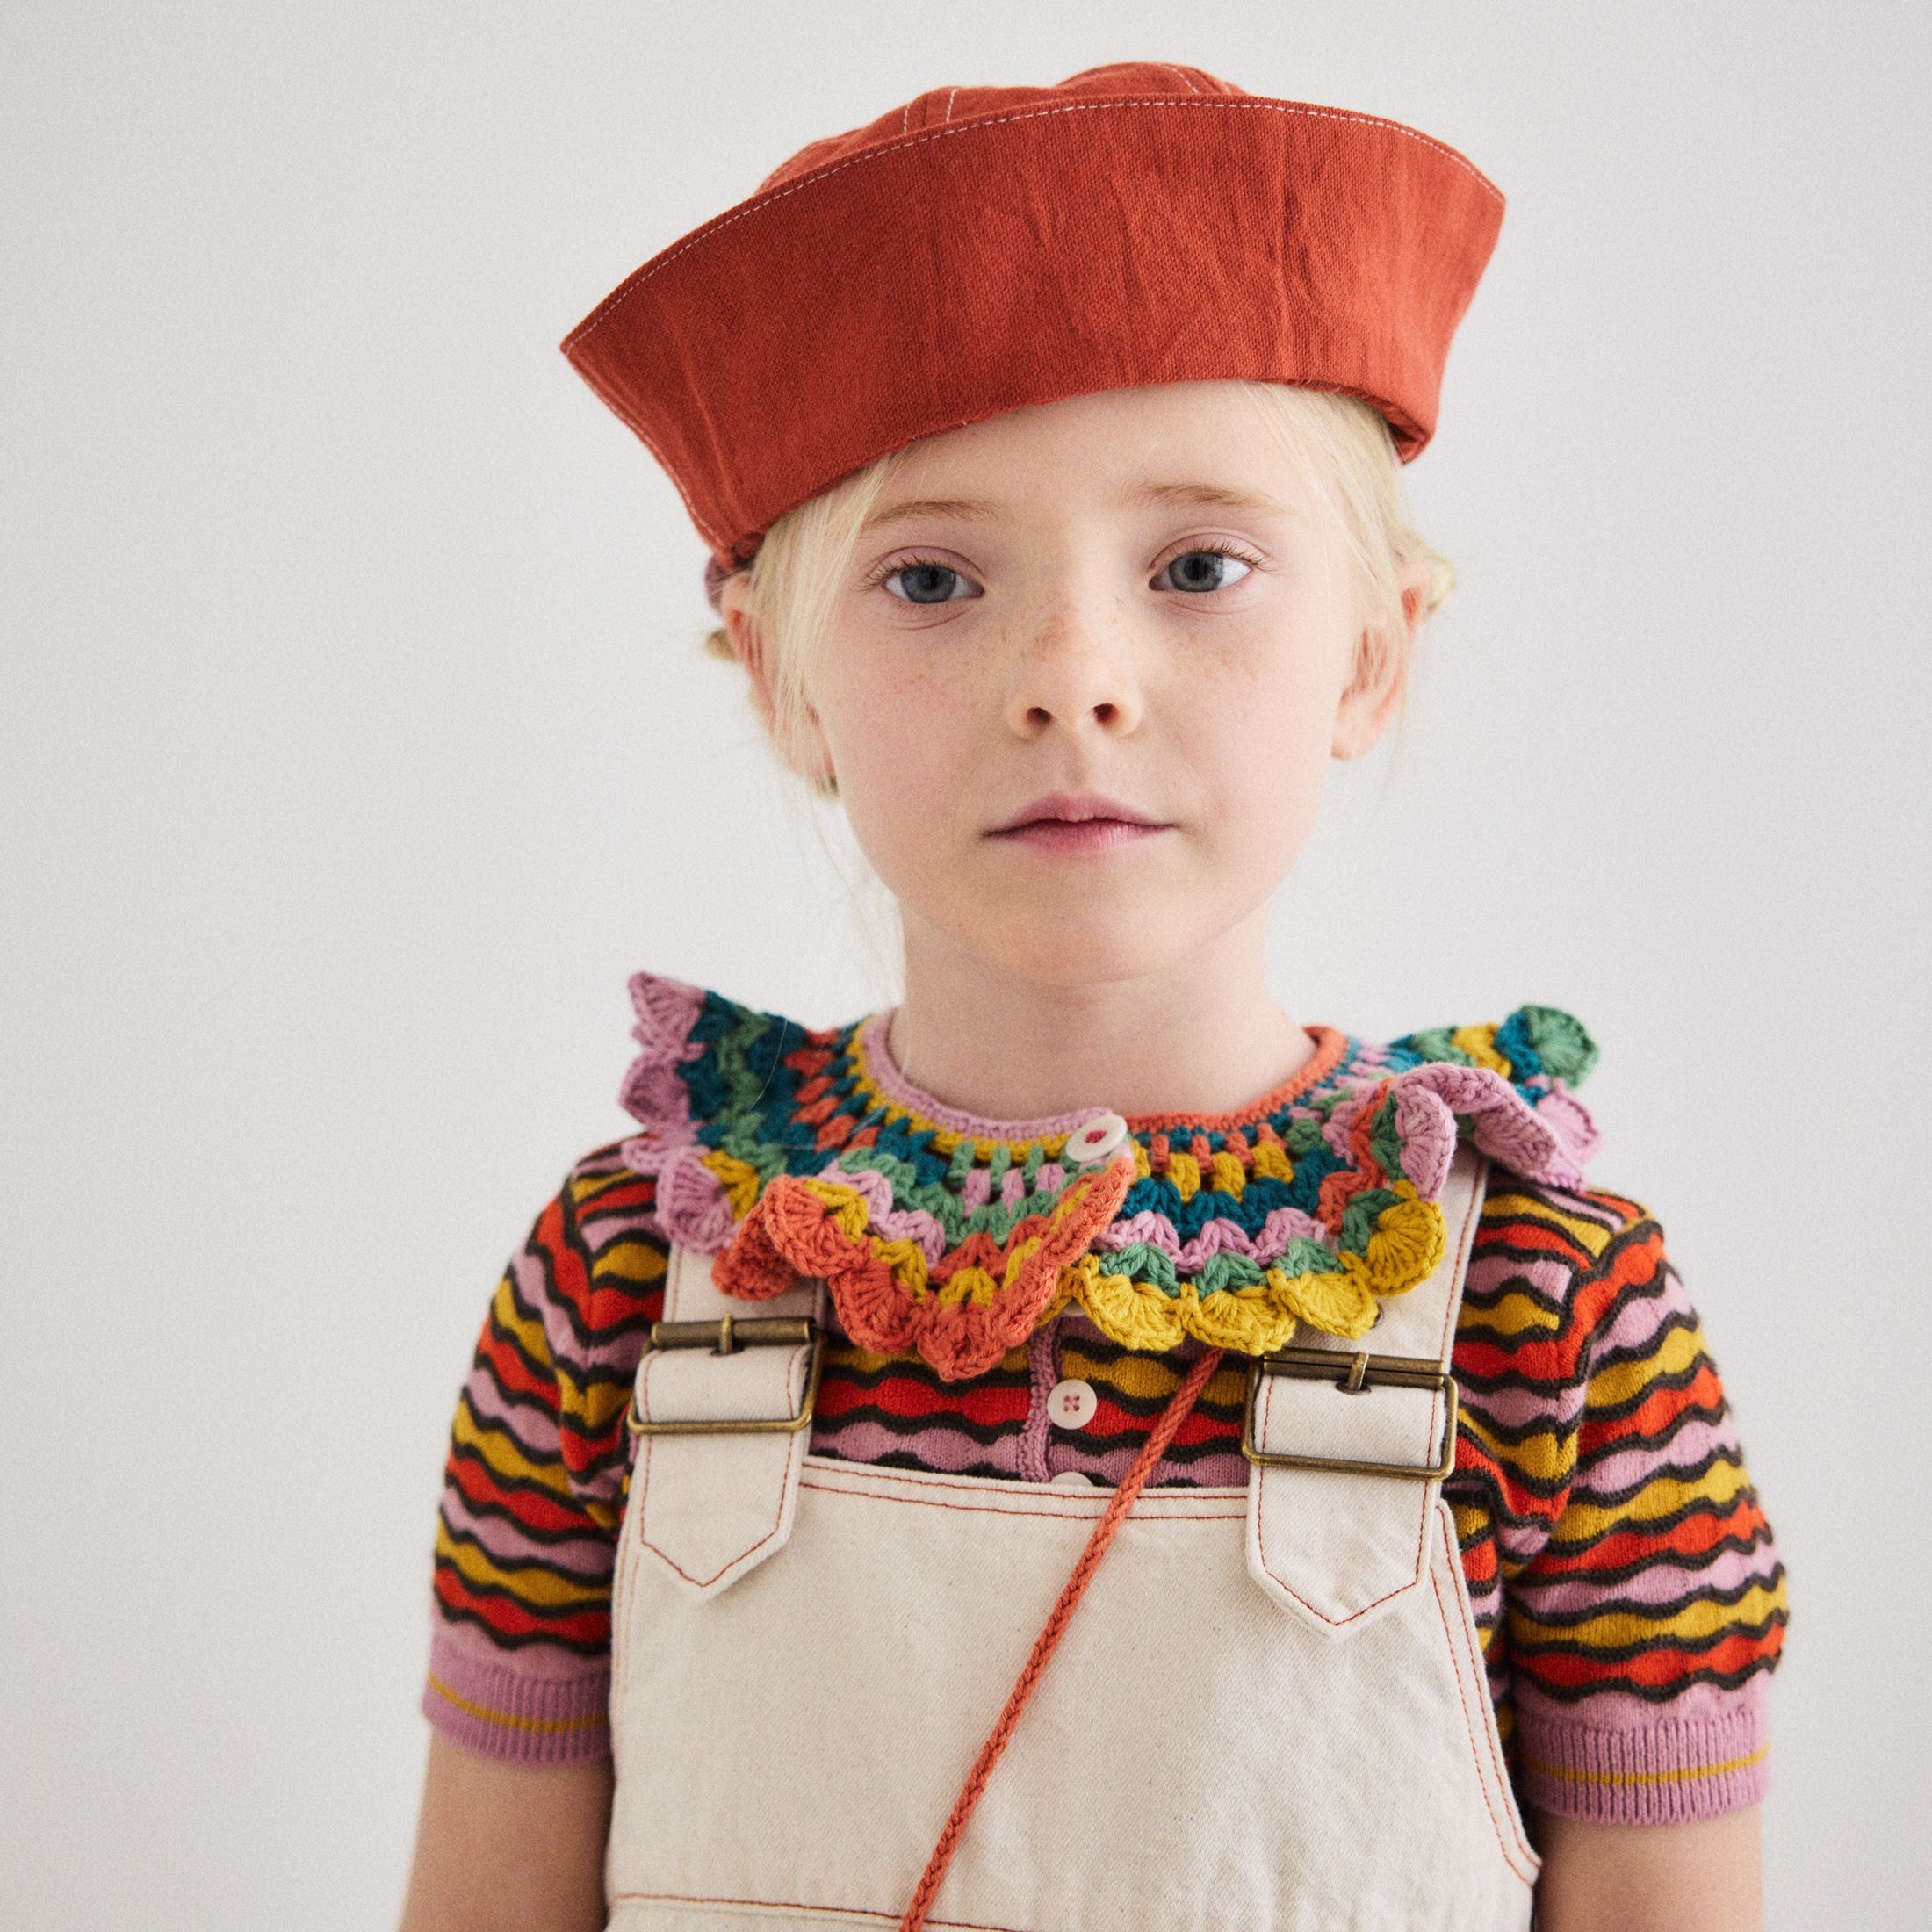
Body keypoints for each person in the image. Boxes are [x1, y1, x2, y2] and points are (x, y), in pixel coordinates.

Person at [398, 63, 1785, 1932]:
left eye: (1198, 564)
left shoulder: (1554, 1313)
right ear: (773, 676)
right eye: (931, 577)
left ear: (1367, 654)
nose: (1072, 676)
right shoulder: (622, 1277)